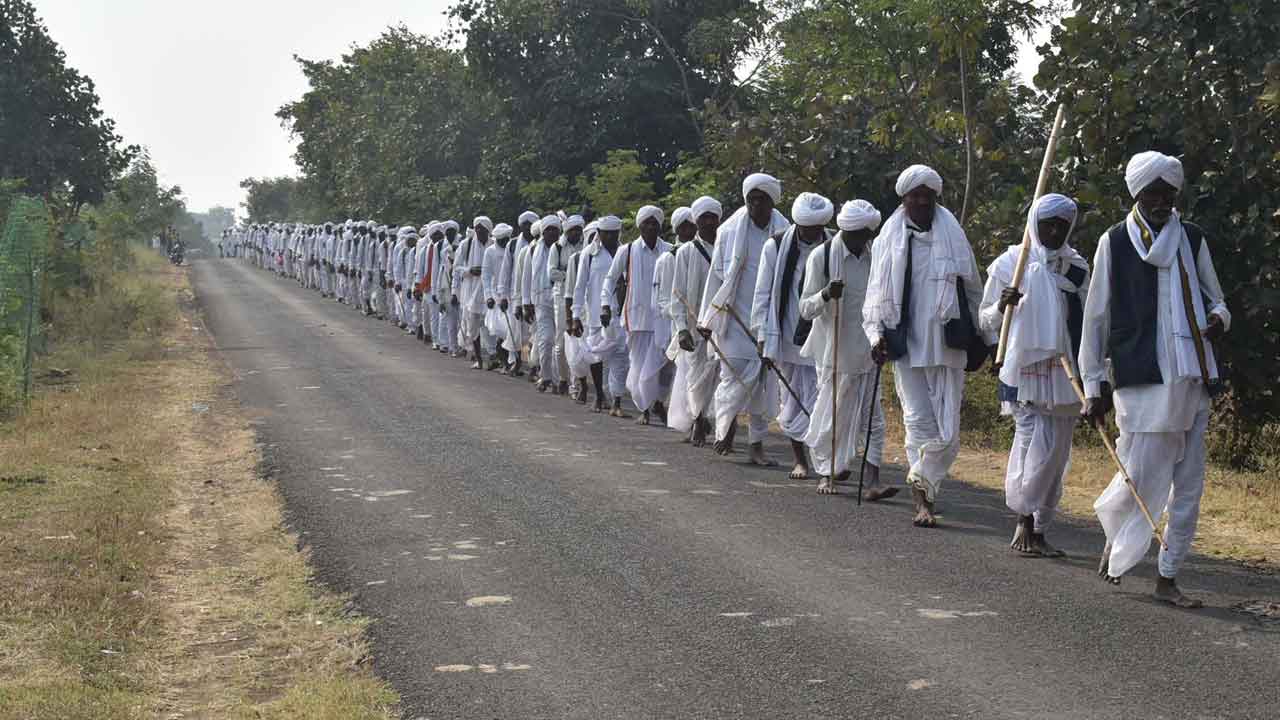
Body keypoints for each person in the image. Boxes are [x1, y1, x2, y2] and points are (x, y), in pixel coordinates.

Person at [1082, 151, 1229, 608]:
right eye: (1153, 194)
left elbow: (1217, 299)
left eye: (1168, 194)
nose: (1163, 202)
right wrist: (1092, 386)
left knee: (1187, 486)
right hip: (1141, 383)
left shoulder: (1192, 238)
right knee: (1138, 479)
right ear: (1138, 195)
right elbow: (1096, 318)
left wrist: (1220, 319)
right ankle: (1117, 538)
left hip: (1192, 378)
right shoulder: (1115, 242)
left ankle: (1168, 576)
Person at [863, 165, 983, 527]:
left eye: (926, 196)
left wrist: (986, 337)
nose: (920, 201)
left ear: (935, 198)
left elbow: (973, 289)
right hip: (906, 345)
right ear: (904, 199)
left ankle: (924, 477)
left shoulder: (953, 236)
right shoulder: (888, 239)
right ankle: (923, 501)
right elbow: (875, 296)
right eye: (914, 195)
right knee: (917, 423)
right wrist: (875, 336)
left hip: (949, 347)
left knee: (948, 433)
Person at [979, 193, 1089, 557]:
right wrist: (1002, 304)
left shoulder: (1077, 268)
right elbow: (985, 320)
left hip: (1067, 369)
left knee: (1057, 454)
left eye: (1062, 225)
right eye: (1048, 224)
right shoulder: (1013, 262)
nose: (1055, 231)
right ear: (1035, 225)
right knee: (1030, 443)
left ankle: (1041, 527)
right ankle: (1022, 517)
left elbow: (1090, 318)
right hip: (1024, 370)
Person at [697, 173, 790, 464]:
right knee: (731, 377)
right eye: (751, 199)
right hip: (733, 319)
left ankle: (756, 445)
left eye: (762, 200)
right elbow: (716, 278)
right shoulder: (729, 231)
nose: (756, 204)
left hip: (769, 319)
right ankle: (724, 429)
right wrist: (706, 319)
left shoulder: (784, 231)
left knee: (762, 382)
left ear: (772, 202)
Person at [801, 199, 891, 497]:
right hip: (832, 353)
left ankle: (873, 479)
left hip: (868, 351)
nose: (861, 241)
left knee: (873, 418)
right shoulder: (822, 257)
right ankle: (826, 473)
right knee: (832, 418)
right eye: (856, 235)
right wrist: (826, 294)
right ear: (843, 230)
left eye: (865, 235)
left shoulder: (876, 256)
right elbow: (804, 308)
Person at [753, 192, 832, 479]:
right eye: (806, 228)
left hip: (823, 335)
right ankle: (800, 460)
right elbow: (763, 293)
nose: (811, 233)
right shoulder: (775, 246)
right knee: (792, 399)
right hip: (786, 333)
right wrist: (763, 334)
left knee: (822, 400)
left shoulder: (834, 243)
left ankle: (825, 463)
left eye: (816, 228)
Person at [604, 206, 673, 423]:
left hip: (663, 319)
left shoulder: (671, 250)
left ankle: (659, 402)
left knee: (664, 366)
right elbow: (610, 279)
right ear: (640, 225)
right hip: (636, 319)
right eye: (647, 223)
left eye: (655, 223)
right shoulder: (628, 250)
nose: (651, 226)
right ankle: (643, 408)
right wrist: (605, 305)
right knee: (639, 368)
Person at [574, 215, 629, 415]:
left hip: (622, 313)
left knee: (620, 358)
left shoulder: (626, 252)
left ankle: (617, 401)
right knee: (596, 356)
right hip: (597, 313)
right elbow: (579, 287)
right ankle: (598, 393)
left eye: (615, 234)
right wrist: (575, 314)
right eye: (607, 234)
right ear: (599, 234)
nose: (611, 238)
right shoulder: (589, 254)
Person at [550, 215, 586, 394]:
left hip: (578, 297)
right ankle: (562, 378)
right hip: (561, 297)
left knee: (577, 339)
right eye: (573, 230)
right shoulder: (557, 247)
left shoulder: (584, 246)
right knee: (561, 341)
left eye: (579, 230)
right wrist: (570, 273)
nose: (577, 233)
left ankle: (576, 383)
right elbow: (552, 273)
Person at [529, 216, 563, 392]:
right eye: (548, 229)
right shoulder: (534, 249)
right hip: (541, 299)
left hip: (561, 298)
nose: (551, 232)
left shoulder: (563, 248)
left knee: (560, 340)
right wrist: (526, 302)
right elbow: (527, 276)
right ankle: (546, 375)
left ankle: (559, 380)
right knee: (546, 339)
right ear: (543, 232)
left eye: (554, 229)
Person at [455, 218, 493, 367]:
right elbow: (456, 268)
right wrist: (470, 270)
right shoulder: (467, 244)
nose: (478, 231)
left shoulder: (493, 244)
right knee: (473, 326)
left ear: (488, 230)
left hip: (488, 291)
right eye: (476, 228)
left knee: (489, 325)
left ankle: (491, 356)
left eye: (481, 228)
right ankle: (479, 358)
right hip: (470, 291)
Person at [483, 223, 514, 370]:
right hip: (496, 295)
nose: (504, 242)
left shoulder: (513, 249)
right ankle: (503, 361)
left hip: (510, 293)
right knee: (500, 330)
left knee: (510, 329)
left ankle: (509, 361)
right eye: (501, 240)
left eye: (506, 239)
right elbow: (486, 275)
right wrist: (488, 296)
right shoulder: (490, 251)